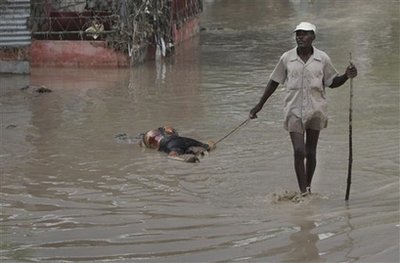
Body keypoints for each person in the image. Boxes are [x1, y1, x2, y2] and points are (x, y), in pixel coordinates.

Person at [249, 22, 358, 195]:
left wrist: (346, 75)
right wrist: (259, 105)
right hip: (293, 109)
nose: (300, 37)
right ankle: (302, 192)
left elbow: (332, 82)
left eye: (304, 34)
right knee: (299, 151)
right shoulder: (287, 58)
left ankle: (308, 187)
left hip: (316, 109)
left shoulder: (322, 58)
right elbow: (274, 81)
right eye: (298, 34)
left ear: (313, 37)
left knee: (311, 152)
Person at [140, 126, 215, 162]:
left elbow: (172, 156)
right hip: (183, 140)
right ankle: (199, 151)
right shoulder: (171, 140)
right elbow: (211, 144)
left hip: (175, 144)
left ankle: (198, 151)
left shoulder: (171, 145)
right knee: (206, 147)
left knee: (204, 147)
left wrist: (185, 160)